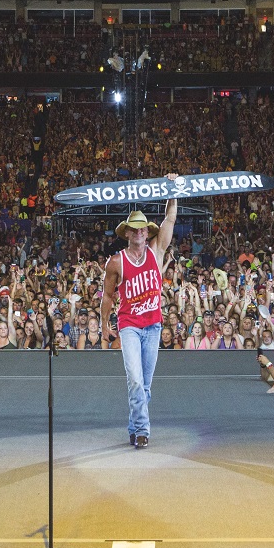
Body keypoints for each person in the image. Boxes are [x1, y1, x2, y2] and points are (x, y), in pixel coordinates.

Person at [102, 179, 177, 450]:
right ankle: (143, 430)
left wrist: (173, 192)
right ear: (128, 233)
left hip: (153, 325)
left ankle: (134, 428)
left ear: (147, 232)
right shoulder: (116, 261)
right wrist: (103, 325)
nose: (138, 232)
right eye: (133, 229)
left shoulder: (156, 252)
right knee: (134, 378)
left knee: (144, 385)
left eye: (142, 228)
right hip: (129, 325)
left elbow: (169, 219)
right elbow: (108, 295)